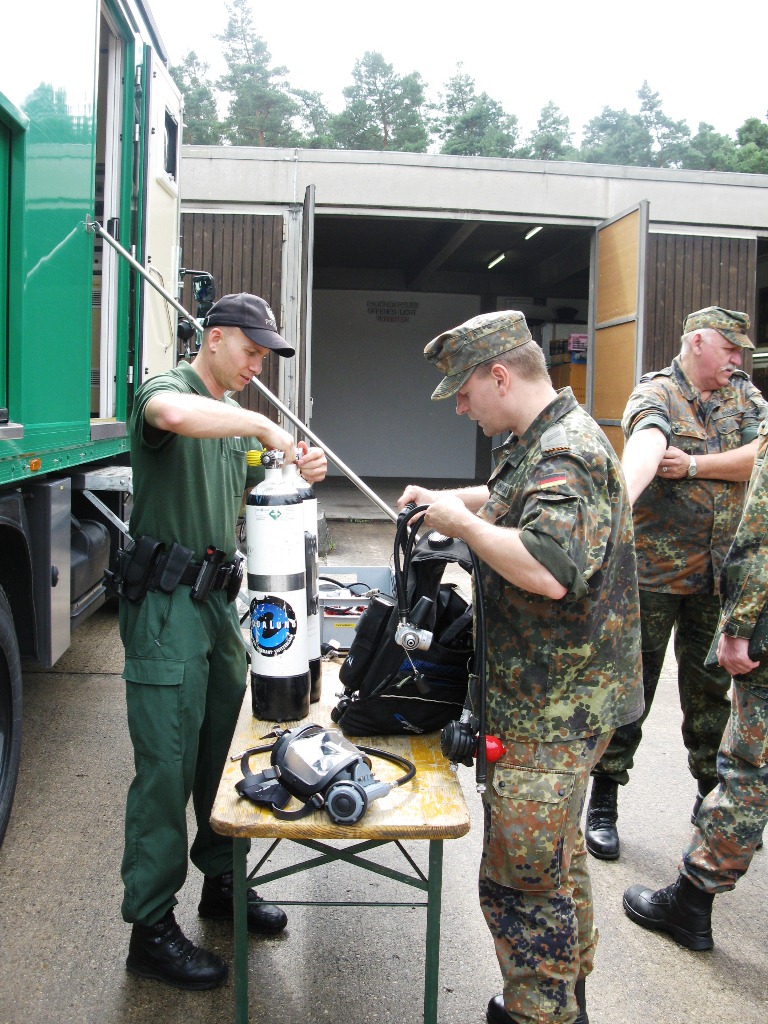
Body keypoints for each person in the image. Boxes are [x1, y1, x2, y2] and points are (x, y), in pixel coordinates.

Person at [398, 310, 643, 1024]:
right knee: (557, 862)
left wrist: (464, 526)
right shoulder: (541, 441)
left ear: (500, 376)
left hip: (553, 711)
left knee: (522, 882)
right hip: (559, 701)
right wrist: (451, 501)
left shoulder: (567, 454)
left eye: (465, 392)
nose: (461, 408)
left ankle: (539, 1011)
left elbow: (549, 569)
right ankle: (565, 998)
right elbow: (518, 503)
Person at [118, 292, 327, 990]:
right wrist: (261, 424)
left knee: (221, 757)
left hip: (216, 608)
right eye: (250, 350)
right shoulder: (167, 389)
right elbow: (174, 417)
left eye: (264, 355)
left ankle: (221, 882)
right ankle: (150, 928)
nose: (257, 364)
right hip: (166, 610)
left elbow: (263, 478)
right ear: (214, 338)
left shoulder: (232, 423)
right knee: (165, 770)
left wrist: (297, 465)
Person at [585, 306, 767, 861]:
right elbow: (646, 443)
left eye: (740, 352)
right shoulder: (656, 393)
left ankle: (711, 799)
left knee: (710, 692)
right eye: (729, 349)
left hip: (718, 577)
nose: (737, 360)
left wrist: (693, 466)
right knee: (628, 685)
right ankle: (604, 798)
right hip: (652, 576)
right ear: (698, 342)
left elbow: (760, 457)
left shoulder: (745, 396)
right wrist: (620, 498)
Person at [622, 414, 768, 950]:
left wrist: (741, 626)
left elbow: (761, 536)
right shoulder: (662, 392)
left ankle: (691, 902)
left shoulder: (750, 406)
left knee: (749, 772)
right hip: (663, 576)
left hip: (751, 627)